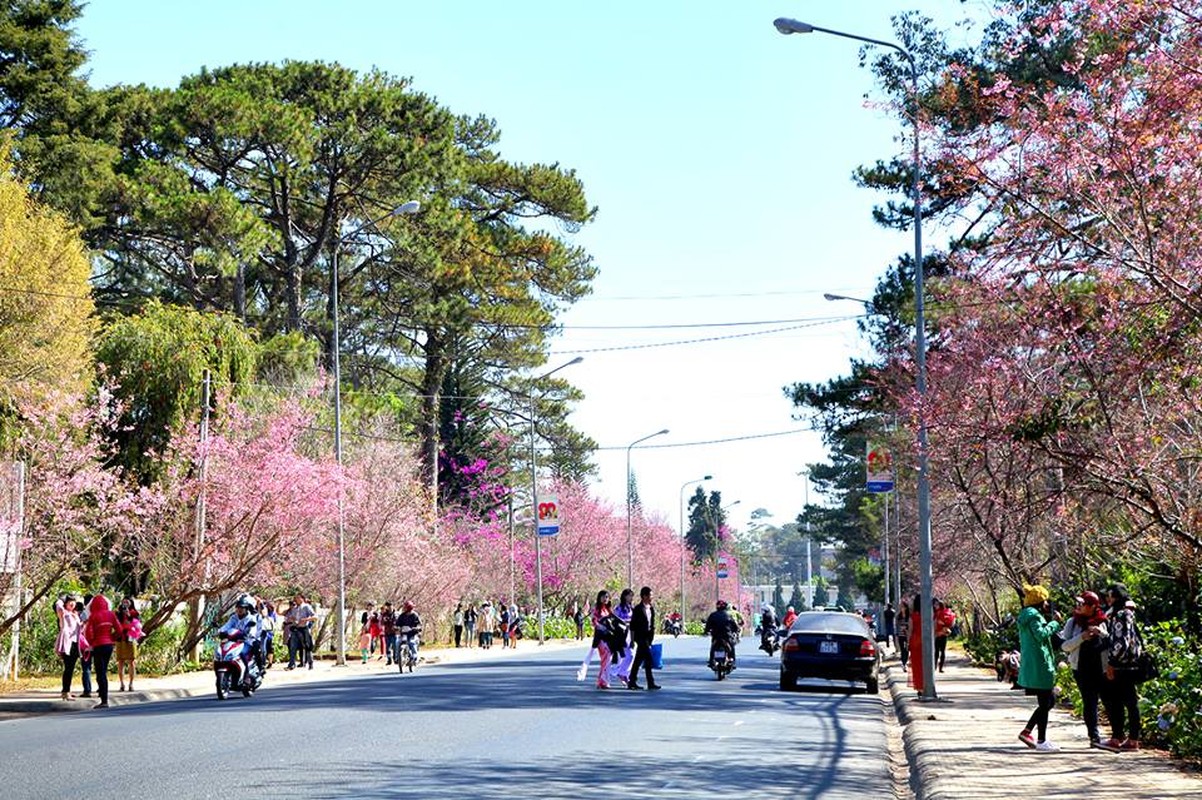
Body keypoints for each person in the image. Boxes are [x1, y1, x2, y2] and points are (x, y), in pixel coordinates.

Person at [1059, 590, 1109, 748]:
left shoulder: (1101, 621)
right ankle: (1094, 736)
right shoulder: (1072, 622)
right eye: (1078, 603)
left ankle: (1116, 736)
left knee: (1108, 700)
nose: (1079, 606)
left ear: (1093, 606)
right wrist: (1081, 638)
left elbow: (1110, 641)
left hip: (1101, 667)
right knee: (1090, 702)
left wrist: (1100, 632)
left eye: (1083, 604)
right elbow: (1064, 646)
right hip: (1080, 667)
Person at [1016, 584, 1062, 752]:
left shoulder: (1026, 616)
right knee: (1046, 702)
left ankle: (1028, 732)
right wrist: (1054, 624)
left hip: (1034, 664)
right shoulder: (1034, 617)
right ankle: (1041, 740)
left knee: (1048, 702)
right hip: (1040, 664)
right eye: (1045, 601)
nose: (1047, 605)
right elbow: (1041, 634)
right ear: (1040, 602)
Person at [1099, 583, 1143, 751]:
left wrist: (1111, 664)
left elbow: (1120, 642)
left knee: (1119, 701)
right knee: (1129, 701)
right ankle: (1128, 738)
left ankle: (1123, 738)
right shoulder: (1128, 613)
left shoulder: (1120, 614)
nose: (1107, 599)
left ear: (1114, 596)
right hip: (1130, 664)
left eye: (1109, 596)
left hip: (1121, 666)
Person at [82, 595, 123, 709]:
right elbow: (119, 630)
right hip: (108, 645)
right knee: (103, 671)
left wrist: (91, 643)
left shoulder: (93, 616)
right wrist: (112, 638)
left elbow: (88, 633)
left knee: (100, 673)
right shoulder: (111, 614)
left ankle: (104, 700)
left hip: (98, 645)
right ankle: (103, 695)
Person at [218, 593, 260, 684]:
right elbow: (227, 626)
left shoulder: (251, 618)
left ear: (246, 609)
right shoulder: (234, 617)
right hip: (233, 641)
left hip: (246, 642)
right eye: (238, 608)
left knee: (242, 654)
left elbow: (253, 629)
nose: (239, 610)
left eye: (242, 608)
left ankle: (246, 675)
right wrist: (220, 631)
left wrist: (250, 634)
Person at [628, 586, 660, 690]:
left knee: (638, 660)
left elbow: (652, 624)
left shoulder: (651, 608)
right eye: (650, 595)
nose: (652, 597)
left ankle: (632, 681)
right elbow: (632, 626)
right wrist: (632, 640)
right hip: (640, 637)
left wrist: (651, 638)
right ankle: (650, 682)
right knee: (648, 659)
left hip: (648, 638)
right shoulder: (638, 609)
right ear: (644, 596)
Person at [54, 594, 82, 701]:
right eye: (70, 601)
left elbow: (79, 629)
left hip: (75, 643)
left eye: (74, 601)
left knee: (71, 668)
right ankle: (65, 692)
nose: (72, 603)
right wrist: (62, 599)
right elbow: (58, 605)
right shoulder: (63, 613)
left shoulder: (75, 614)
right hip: (67, 643)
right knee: (68, 668)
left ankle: (67, 690)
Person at [704, 599, 740, 670]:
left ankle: (711, 660)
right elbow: (735, 626)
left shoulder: (713, 615)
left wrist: (706, 631)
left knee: (713, 647)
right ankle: (732, 660)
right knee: (731, 647)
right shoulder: (729, 616)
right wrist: (735, 631)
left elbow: (708, 626)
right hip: (727, 636)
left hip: (716, 635)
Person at [114, 596, 140, 692]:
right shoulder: (118, 612)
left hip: (130, 638)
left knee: (131, 661)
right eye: (123, 602)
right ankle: (121, 684)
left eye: (127, 601)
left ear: (131, 602)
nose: (125, 603)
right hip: (120, 638)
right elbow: (115, 623)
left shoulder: (134, 613)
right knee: (120, 661)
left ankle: (131, 683)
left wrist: (129, 616)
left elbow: (137, 625)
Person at [285, 593, 317, 670]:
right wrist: (291, 619)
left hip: (304, 629)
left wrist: (306, 619)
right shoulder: (294, 608)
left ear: (302, 598)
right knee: (293, 646)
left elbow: (315, 617)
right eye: (296, 598)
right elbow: (289, 617)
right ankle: (291, 664)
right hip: (295, 629)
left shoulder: (306, 607)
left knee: (307, 646)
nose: (296, 600)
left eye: (298, 598)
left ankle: (310, 663)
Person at [610, 589, 635, 686]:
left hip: (629, 634)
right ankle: (622, 673)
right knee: (628, 654)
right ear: (624, 596)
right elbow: (614, 620)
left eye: (632, 596)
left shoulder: (631, 608)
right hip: (621, 634)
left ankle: (623, 673)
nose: (631, 598)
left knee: (629, 655)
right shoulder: (619, 608)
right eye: (629, 595)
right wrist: (625, 622)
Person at [591, 590, 615, 689]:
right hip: (601, 638)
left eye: (607, 597)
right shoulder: (597, 610)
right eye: (603, 597)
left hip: (609, 637)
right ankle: (604, 680)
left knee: (607, 659)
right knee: (606, 657)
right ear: (599, 598)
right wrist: (602, 627)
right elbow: (594, 622)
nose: (605, 599)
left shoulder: (609, 610)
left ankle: (602, 680)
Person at [396, 601, 422, 665]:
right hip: (404, 634)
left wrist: (417, 628)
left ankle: (415, 657)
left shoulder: (415, 615)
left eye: (405, 607)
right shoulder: (402, 615)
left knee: (412, 642)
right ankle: (398, 657)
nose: (404, 609)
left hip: (412, 634)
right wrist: (396, 627)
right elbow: (397, 623)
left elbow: (419, 624)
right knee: (397, 642)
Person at [933, 599, 956, 673]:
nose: (935, 606)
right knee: (941, 651)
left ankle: (935, 666)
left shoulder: (937, 613)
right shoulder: (946, 613)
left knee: (937, 651)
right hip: (944, 633)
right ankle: (940, 667)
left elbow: (935, 623)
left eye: (936, 605)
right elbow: (952, 623)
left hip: (938, 634)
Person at [78, 593, 94, 698]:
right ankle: (102, 689)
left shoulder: (83, 614)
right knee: (99, 668)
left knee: (86, 667)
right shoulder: (98, 614)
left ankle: (87, 690)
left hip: (85, 644)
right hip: (97, 643)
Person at [908, 595, 924, 693]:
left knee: (916, 665)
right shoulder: (928, 615)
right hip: (926, 641)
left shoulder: (913, 616)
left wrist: (908, 643)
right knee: (925, 664)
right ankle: (926, 684)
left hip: (915, 641)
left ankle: (919, 687)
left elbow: (910, 630)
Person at [259, 600, 277, 668]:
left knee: (264, 648)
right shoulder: (272, 614)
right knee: (269, 648)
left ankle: (264, 662)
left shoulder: (264, 614)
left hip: (265, 632)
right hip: (270, 632)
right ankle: (270, 662)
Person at [896, 599, 911, 670]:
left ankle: (905, 661)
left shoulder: (909, 616)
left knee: (907, 649)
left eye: (903, 607)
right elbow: (897, 625)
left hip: (907, 635)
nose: (902, 609)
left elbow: (910, 625)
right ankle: (903, 663)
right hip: (901, 635)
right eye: (901, 607)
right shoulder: (899, 617)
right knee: (902, 649)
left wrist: (907, 628)